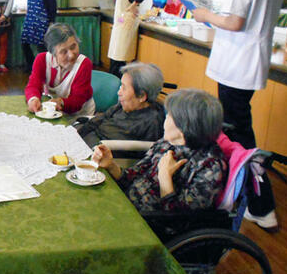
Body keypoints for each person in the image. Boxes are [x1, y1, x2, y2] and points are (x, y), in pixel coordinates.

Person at [191, 0, 287, 229]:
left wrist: (204, 15)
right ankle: (241, 194)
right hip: (249, 61)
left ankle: (261, 204)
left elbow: (235, 22)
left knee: (239, 136)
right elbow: (258, 0)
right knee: (237, 130)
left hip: (236, 64)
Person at [92, 89, 227, 212]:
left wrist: (165, 177)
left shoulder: (210, 166)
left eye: (169, 116)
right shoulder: (167, 143)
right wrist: (111, 165)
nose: (165, 119)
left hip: (149, 223)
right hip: (127, 203)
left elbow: (180, 220)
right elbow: (134, 175)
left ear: (184, 128)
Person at [77, 62, 165, 148]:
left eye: (124, 88)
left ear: (141, 96)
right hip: (87, 138)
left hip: (102, 152)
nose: (119, 92)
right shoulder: (125, 105)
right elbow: (102, 118)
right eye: (120, 87)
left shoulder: (152, 123)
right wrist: (77, 136)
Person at [24, 23, 94, 116]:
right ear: (53, 53)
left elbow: (77, 100)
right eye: (63, 52)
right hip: (55, 112)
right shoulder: (42, 60)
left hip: (80, 114)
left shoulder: (84, 64)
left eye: (73, 47)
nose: (71, 54)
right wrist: (33, 99)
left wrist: (60, 102)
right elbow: (33, 85)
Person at [108, 0, 145, 77]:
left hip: (125, 30)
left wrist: (134, 4)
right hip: (119, 27)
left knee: (120, 61)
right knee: (114, 58)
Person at [21, 0, 57, 71]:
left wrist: (50, 24)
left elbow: (52, 9)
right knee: (24, 43)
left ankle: (43, 69)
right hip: (30, 22)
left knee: (41, 47)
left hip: (42, 24)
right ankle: (30, 65)